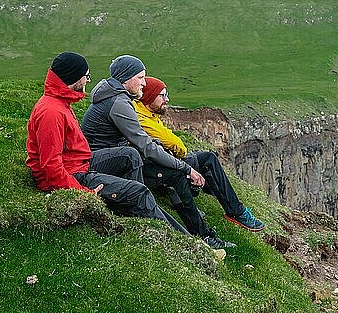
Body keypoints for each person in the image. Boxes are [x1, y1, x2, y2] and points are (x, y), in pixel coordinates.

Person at [81, 55, 235, 249]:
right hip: (105, 163)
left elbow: (138, 140)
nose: (144, 83)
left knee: (173, 172)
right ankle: (178, 230)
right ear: (126, 78)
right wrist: (186, 168)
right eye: (140, 77)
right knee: (175, 172)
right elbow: (144, 145)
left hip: (113, 158)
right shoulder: (118, 103)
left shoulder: (116, 97)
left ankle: (201, 234)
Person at [26, 51, 186, 230]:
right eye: (86, 76)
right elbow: (50, 166)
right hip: (72, 174)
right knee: (139, 192)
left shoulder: (60, 103)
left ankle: (134, 209)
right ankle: (176, 238)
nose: (88, 80)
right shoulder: (52, 112)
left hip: (79, 163)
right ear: (73, 77)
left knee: (130, 155)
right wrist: (84, 193)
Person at [134, 76, 265, 232]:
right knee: (208, 160)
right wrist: (180, 151)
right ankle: (236, 213)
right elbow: (176, 144)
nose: (167, 99)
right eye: (162, 95)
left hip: (160, 164)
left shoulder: (149, 114)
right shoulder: (142, 118)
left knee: (207, 159)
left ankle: (227, 203)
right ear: (149, 96)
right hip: (158, 171)